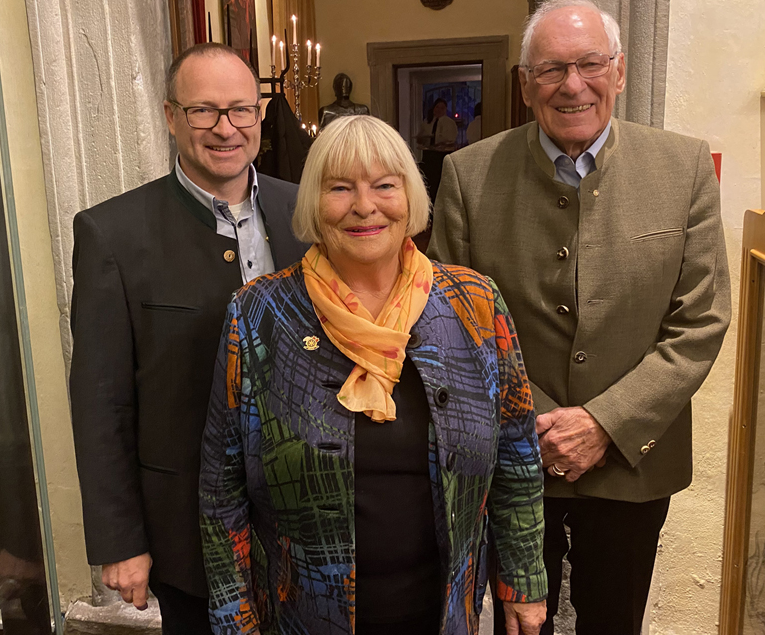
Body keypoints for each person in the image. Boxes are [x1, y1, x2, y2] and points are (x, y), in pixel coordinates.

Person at [428, 0, 731, 635]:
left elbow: (700, 322)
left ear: (618, 72)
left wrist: (603, 423)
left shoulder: (683, 168)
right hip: (513, 460)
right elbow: (451, 324)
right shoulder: (467, 175)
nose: (573, 85)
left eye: (590, 64)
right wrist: (535, 424)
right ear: (525, 84)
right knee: (517, 625)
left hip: (633, 464)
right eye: (551, 69)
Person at [200, 115, 547, 635]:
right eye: (340, 188)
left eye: (384, 185)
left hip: (442, 614)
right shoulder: (258, 315)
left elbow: (517, 454)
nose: (365, 206)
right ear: (313, 203)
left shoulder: (475, 303)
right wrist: (234, 621)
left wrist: (523, 580)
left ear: (410, 198)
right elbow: (221, 491)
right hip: (304, 620)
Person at [69, 43, 308, 635]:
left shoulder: (308, 211)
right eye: (203, 111)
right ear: (171, 117)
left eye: (241, 109)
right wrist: (121, 541)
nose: (226, 128)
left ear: (259, 114)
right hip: (189, 532)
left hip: (307, 521)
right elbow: (101, 403)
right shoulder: (113, 234)